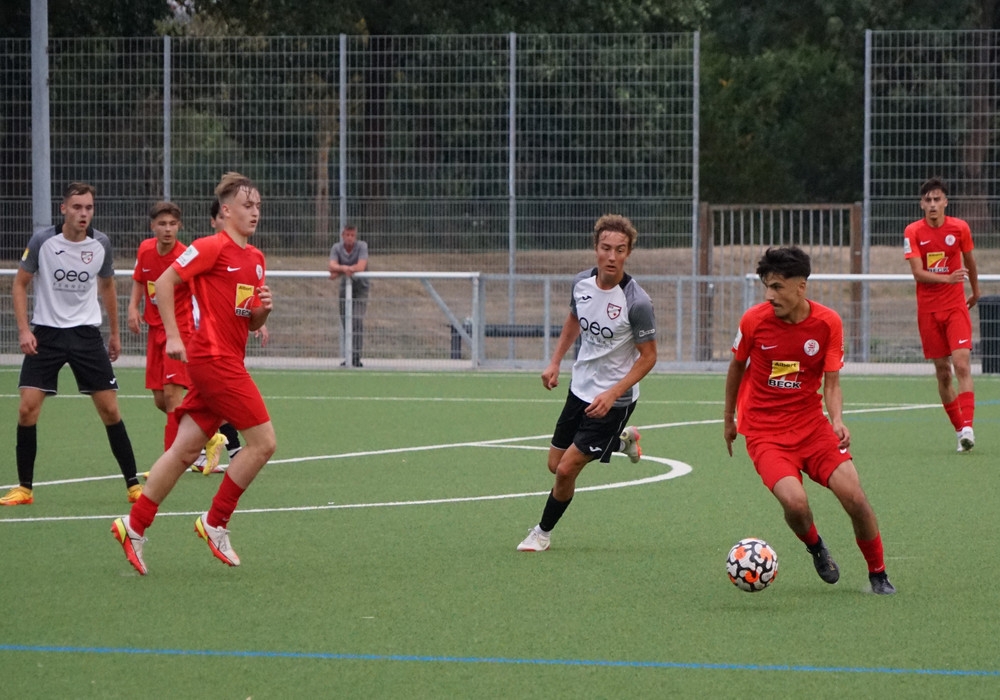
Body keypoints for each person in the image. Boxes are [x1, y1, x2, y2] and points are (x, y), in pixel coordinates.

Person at [111, 171, 276, 575]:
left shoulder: (255, 260)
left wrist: (263, 311)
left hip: (227, 360)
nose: (255, 212)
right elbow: (164, 282)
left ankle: (134, 524)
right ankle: (215, 521)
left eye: (257, 205)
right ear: (226, 211)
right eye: (247, 205)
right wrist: (172, 334)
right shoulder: (211, 247)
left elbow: (249, 322)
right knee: (263, 443)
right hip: (213, 360)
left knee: (184, 451)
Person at [723, 246, 896, 595]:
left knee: (855, 498)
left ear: (801, 286)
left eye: (777, 287)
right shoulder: (753, 321)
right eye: (767, 287)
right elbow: (736, 367)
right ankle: (816, 547)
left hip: (813, 428)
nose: (769, 296)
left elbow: (832, 383)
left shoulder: (828, 323)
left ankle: (878, 574)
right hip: (765, 434)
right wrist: (729, 417)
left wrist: (837, 420)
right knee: (795, 503)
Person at [516, 214, 656, 552]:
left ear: (628, 253)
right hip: (579, 389)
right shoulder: (581, 284)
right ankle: (621, 442)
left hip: (613, 400)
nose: (612, 256)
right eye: (606, 248)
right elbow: (574, 319)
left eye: (619, 250)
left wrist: (613, 393)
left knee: (565, 471)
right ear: (595, 248)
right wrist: (555, 361)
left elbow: (649, 357)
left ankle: (541, 533)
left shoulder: (637, 302)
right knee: (554, 464)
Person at [1, 182, 142, 506]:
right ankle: (24, 489)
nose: (83, 213)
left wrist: (115, 334)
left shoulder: (100, 243)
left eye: (88, 208)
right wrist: (24, 330)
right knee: (27, 409)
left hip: (85, 335)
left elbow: (108, 287)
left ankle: (134, 486)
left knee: (110, 410)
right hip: (46, 334)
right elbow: (19, 285)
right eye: (77, 207)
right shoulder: (43, 241)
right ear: (63, 208)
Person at [903, 177, 980, 453]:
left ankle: (968, 426)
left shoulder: (960, 228)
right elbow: (917, 273)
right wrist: (948, 278)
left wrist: (976, 291)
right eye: (928, 200)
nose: (933, 204)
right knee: (943, 372)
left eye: (937, 199)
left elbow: (970, 262)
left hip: (955, 307)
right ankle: (960, 431)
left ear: (946, 202)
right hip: (928, 311)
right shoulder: (912, 231)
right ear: (922, 204)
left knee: (961, 365)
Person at [328, 225, 369, 367]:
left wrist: (342, 270)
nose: (350, 238)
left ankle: (356, 357)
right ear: (342, 236)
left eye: (352, 235)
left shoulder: (362, 246)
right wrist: (344, 269)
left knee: (356, 319)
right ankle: (348, 356)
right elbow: (331, 266)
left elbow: (361, 267)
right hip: (345, 288)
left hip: (361, 289)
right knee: (346, 321)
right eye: (347, 235)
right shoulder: (336, 248)